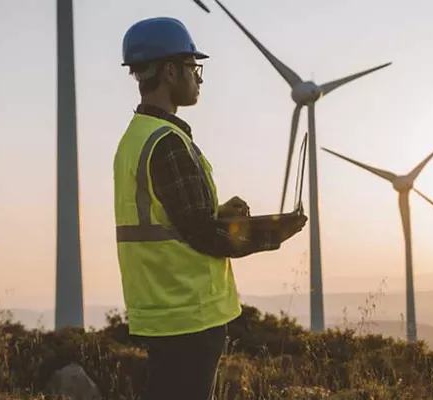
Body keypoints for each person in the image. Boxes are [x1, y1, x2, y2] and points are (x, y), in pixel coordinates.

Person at [113, 17, 307, 400]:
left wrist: (217, 212)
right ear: (170, 71)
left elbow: (168, 220)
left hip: (160, 311)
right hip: (188, 313)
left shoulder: (135, 139)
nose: (198, 78)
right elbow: (201, 234)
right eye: (192, 67)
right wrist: (271, 233)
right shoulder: (166, 142)